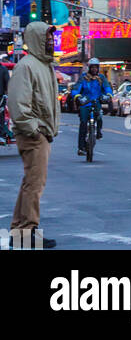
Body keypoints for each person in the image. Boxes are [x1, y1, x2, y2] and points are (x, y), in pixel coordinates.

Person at [7, 21, 60, 249]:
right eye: (47, 38)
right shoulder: (27, 66)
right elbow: (18, 103)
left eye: (51, 38)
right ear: (37, 39)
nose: (51, 42)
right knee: (35, 185)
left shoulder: (43, 65)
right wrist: (34, 129)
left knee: (30, 183)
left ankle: (19, 231)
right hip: (33, 135)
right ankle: (28, 232)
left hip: (40, 134)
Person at [73, 57, 112, 156]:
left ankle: (98, 131)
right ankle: (81, 148)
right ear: (89, 68)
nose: (94, 69)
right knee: (83, 123)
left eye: (96, 67)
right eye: (92, 67)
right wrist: (78, 97)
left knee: (99, 117)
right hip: (85, 103)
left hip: (96, 102)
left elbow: (107, 88)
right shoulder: (83, 77)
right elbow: (76, 89)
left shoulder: (102, 78)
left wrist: (108, 96)